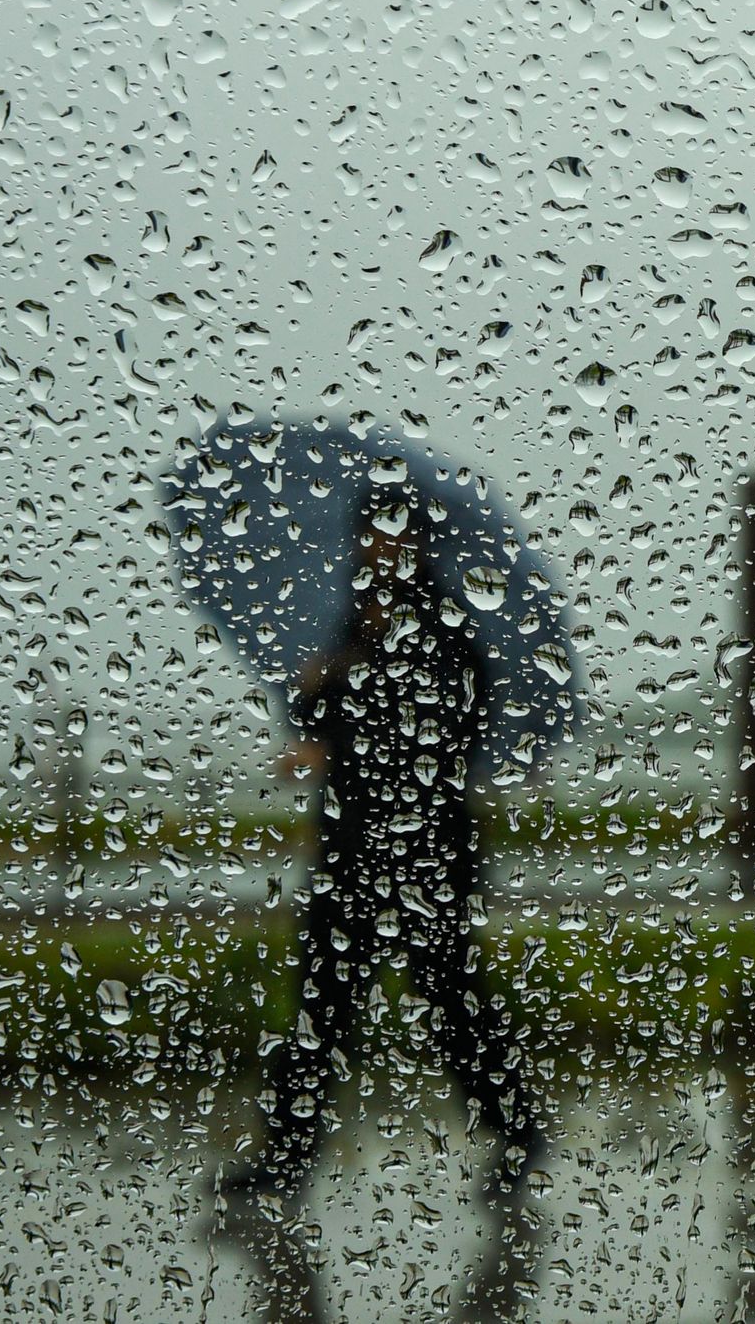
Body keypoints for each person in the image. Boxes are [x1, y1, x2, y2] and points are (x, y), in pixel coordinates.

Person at [214, 499, 546, 1323]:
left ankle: (518, 1131)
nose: (383, 547)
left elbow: (459, 726)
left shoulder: (443, 626)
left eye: (397, 534)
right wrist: (315, 697)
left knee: (451, 1005)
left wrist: (348, 698)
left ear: (418, 545)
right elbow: (324, 727)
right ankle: (285, 1161)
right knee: (321, 1010)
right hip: (352, 853)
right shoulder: (350, 621)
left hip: (426, 854)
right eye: (373, 534)